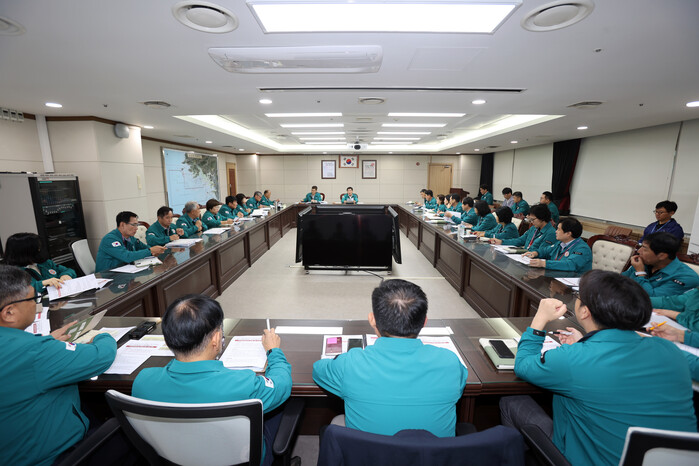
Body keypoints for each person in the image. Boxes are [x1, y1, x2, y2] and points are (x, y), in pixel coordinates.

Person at [500, 270, 696, 466]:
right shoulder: (671, 351)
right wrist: (585, 344)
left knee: (512, 402)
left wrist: (540, 318)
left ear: (584, 311)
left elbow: (523, 364)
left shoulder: (573, 359)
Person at [132, 295, 291, 466]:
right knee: (279, 409)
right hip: (240, 460)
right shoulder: (243, 384)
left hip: (172, 458)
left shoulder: (143, 381)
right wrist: (273, 351)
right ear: (215, 339)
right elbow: (282, 384)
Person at [312, 279, 467, 437]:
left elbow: (318, 370)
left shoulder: (350, 364)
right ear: (424, 322)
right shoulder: (450, 363)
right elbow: (460, 386)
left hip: (367, 452)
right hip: (432, 452)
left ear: (372, 319)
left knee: (338, 421)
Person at [0, 265, 117, 465]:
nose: (37, 305)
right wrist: (103, 336)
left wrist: (45, 342)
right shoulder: (34, 352)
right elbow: (100, 357)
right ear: (9, 312)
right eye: (33, 299)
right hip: (54, 457)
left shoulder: (27, 348)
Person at [622, 232, 699, 297]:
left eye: (645, 249)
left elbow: (651, 299)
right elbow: (620, 280)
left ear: (662, 256)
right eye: (641, 246)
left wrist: (640, 273)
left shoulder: (686, 277)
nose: (639, 251)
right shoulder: (645, 262)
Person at [3, 232, 76, 293]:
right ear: (25, 251)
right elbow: (23, 291)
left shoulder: (45, 263)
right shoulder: (14, 273)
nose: (39, 249)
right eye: (36, 248)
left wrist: (66, 275)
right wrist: (43, 283)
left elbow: (69, 270)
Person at [96, 211, 166, 272]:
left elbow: (144, 247)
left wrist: (154, 251)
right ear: (122, 225)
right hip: (108, 276)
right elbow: (127, 256)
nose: (136, 228)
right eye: (134, 225)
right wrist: (150, 251)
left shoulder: (130, 237)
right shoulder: (110, 239)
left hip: (125, 272)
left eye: (137, 225)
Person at [526, 218, 592, 274]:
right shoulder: (560, 243)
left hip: (573, 281)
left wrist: (544, 263)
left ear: (568, 233)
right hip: (556, 276)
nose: (556, 231)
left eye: (558, 229)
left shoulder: (582, 249)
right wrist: (535, 253)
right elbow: (545, 251)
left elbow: (570, 264)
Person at [491, 204, 556, 251]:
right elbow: (520, 240)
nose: (531, 222)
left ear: (542, 218)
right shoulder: (533, 228)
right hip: (525, 257)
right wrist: (502, 242)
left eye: (533, 220)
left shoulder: (551, 233)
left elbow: (542, 252)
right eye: (530, 220)